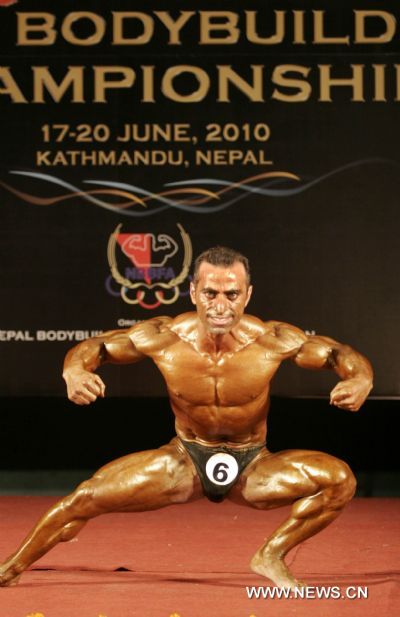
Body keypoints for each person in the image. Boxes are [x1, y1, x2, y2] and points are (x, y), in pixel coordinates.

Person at [0, 246, 373, 589]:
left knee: (340, 481)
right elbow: (95, 348)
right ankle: (11, 569)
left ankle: (271, 554)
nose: (220, 306)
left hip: (254, 466)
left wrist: (360, 379)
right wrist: (74, 372)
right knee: (83, 499)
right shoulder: (163, 336)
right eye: (210, 293)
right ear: (193, 292)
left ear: (248, 295)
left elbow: (336, 353)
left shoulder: (272, 339)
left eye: (232, 294)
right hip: (184, 460)